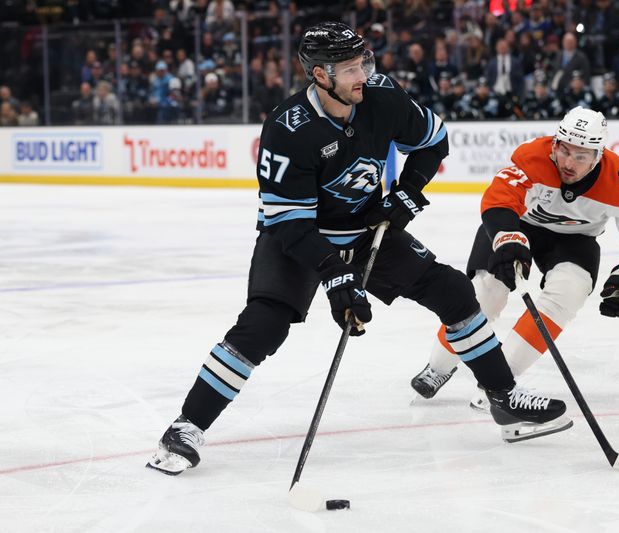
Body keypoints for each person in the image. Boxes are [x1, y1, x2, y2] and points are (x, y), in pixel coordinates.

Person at [147, 22, 568, 476]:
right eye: (349, 69)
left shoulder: (382, 97)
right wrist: (335, 275)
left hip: (368, 231)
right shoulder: (288, 129)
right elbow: (291, 224)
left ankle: (503, 399)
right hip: (299, 239)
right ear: (320, 76)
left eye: (363, 63)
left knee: (455, 293)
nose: (362, 75)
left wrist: (407, 193)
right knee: (263, 327)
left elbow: (434, 141)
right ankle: (186, 427)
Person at [410, 107, 619, 414]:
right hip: (519, 227)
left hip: (575, 241)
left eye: (581, 156)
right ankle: (439, 365)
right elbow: (498, 198)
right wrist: (507, 237)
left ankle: (499, 383)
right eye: (563, 150)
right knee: (485, 294)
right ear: (555, 143)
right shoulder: (534, 157)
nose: (568, 163)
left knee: (568, 292)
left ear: (599, 155)